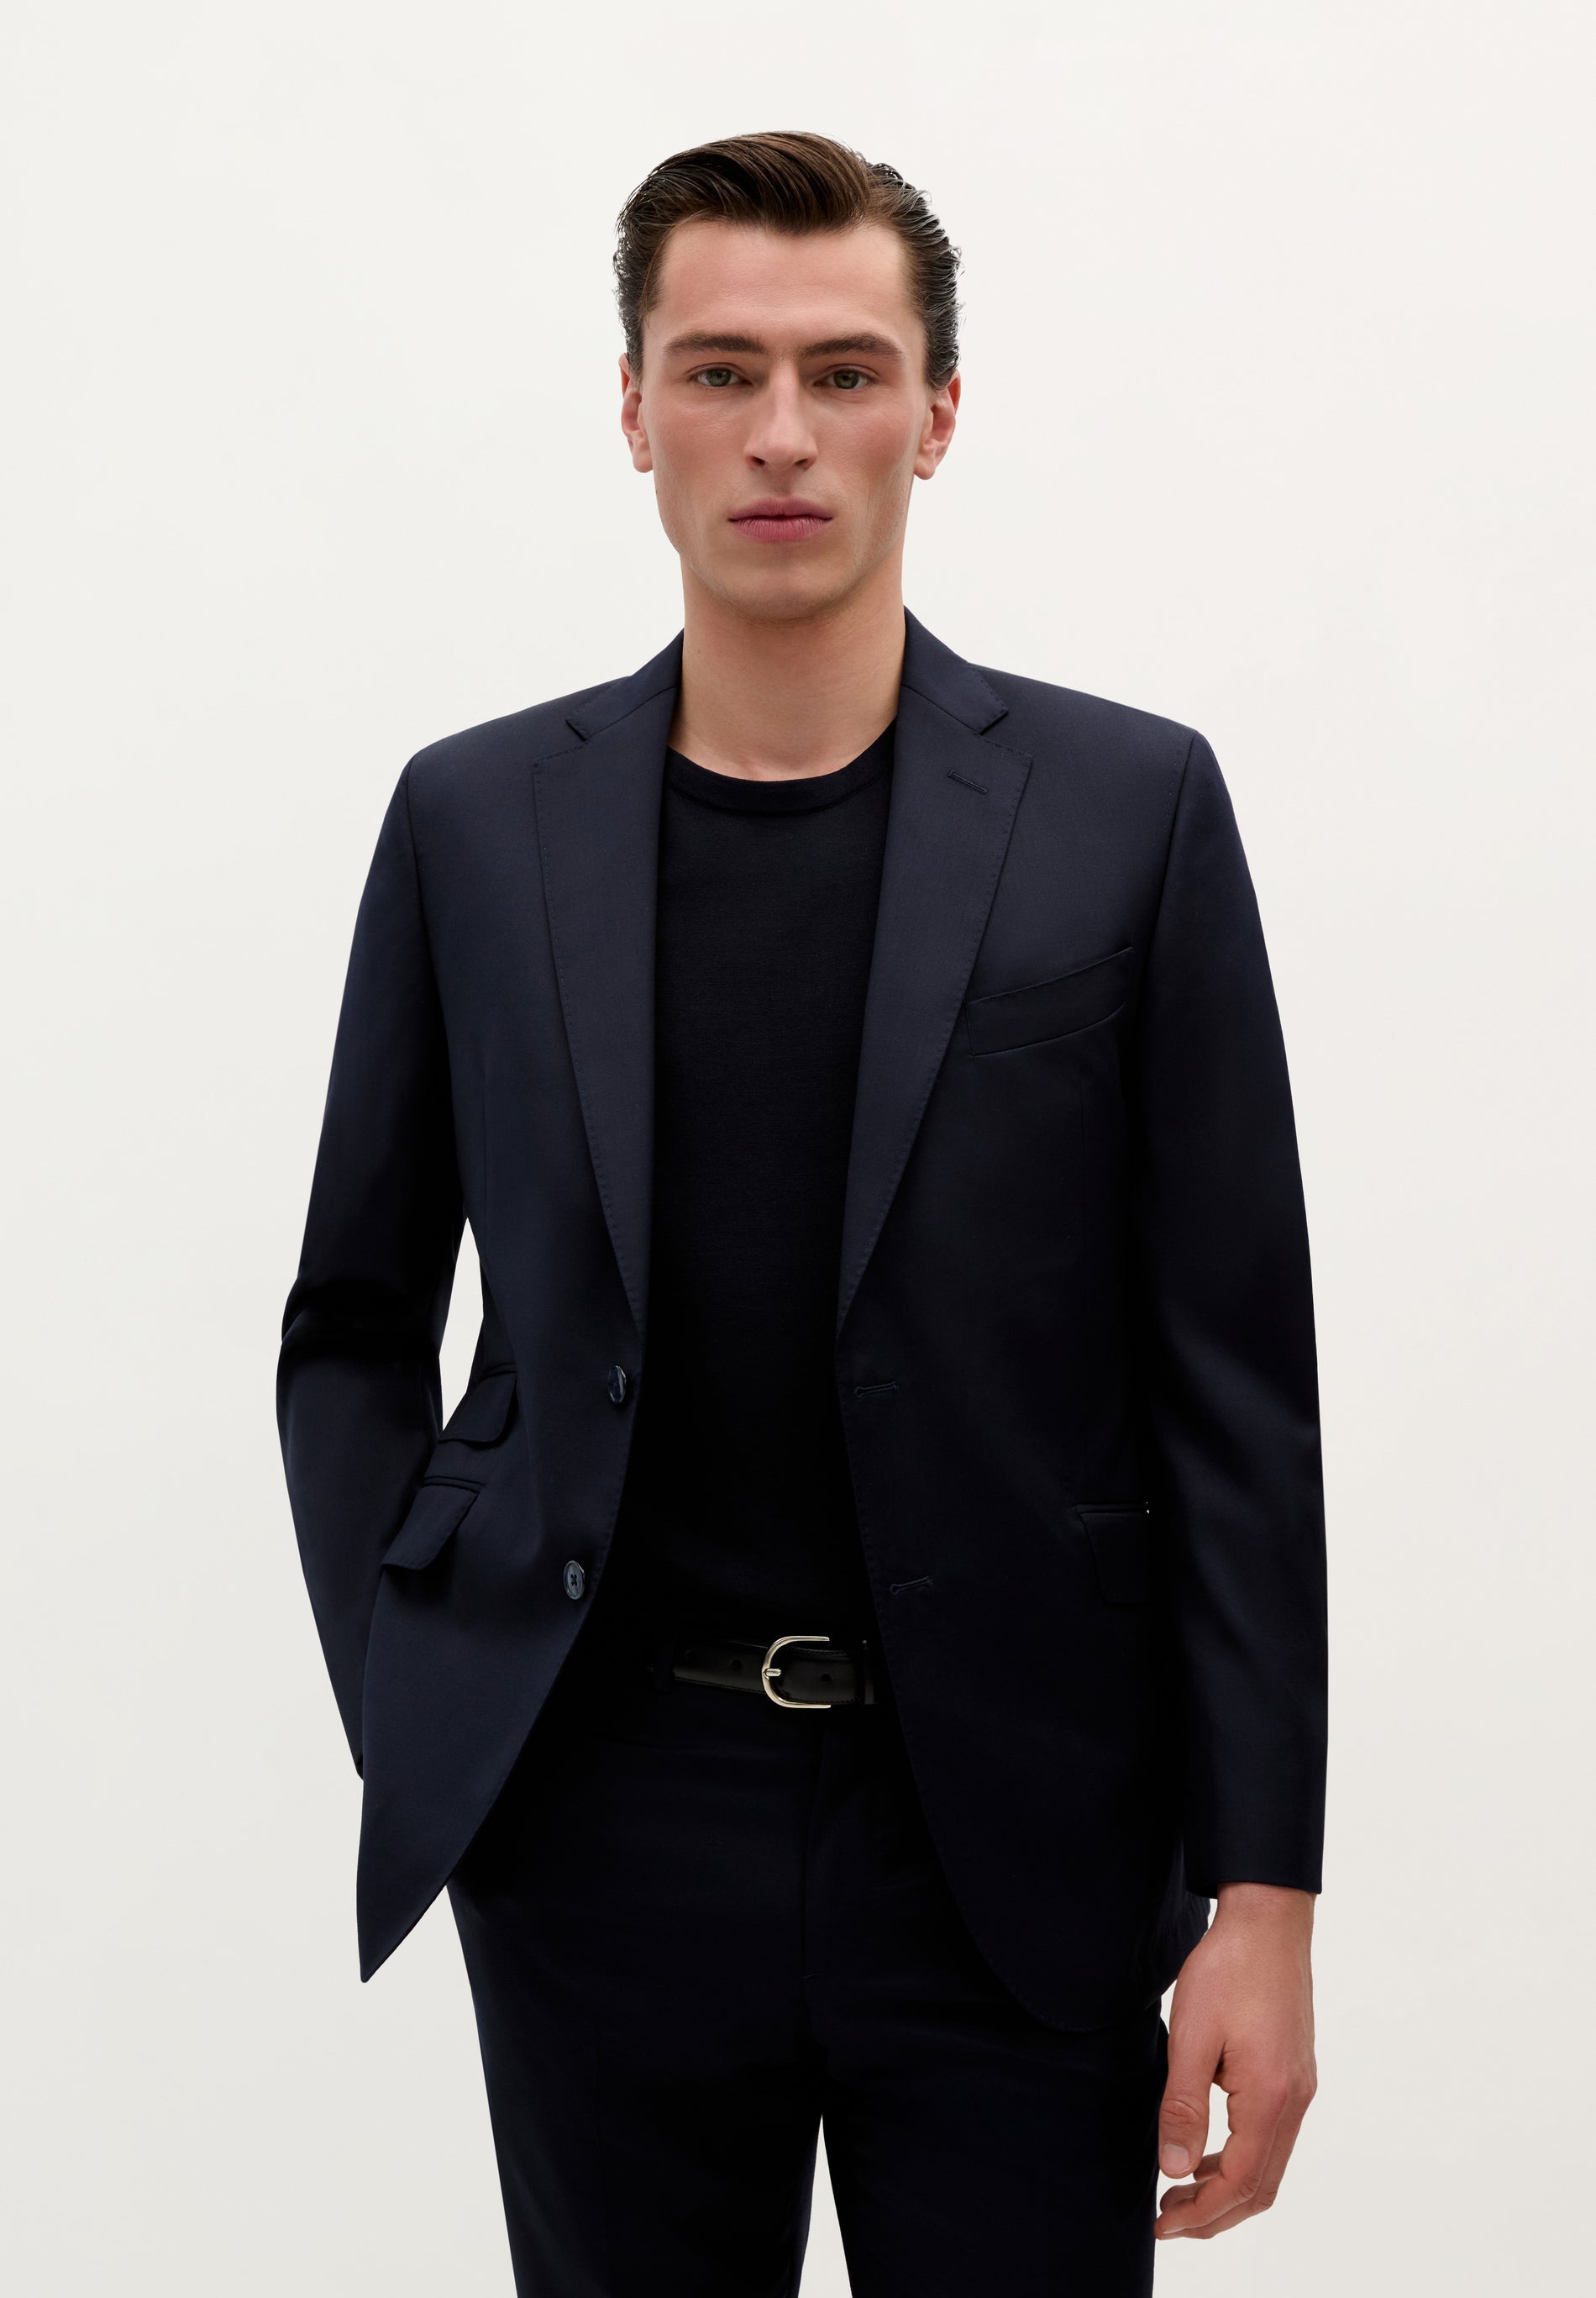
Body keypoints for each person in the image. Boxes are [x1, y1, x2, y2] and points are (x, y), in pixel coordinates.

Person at [277, 129, 1326, 2295]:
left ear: (935, 416)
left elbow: (1232, 1384)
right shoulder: (476, 820)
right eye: (721, 370)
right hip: (603, 1828)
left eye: (846, 373)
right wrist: (432, 1704)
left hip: (1018, 1835)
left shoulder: (1127, 812)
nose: (782, 433)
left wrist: (1266, 1890)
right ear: (634, 409)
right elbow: (354, 1321)